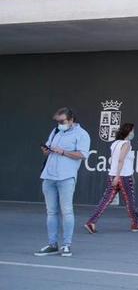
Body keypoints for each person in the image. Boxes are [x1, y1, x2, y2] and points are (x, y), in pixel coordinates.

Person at [35, 107, 91, 257]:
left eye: (62, 121)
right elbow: (48, 147)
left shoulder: (82, 134)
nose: (59, 124)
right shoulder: (55, 131)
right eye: (57, 121)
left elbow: (83, 154)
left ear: (71, 120)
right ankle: (52, 244)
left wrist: (63, 152)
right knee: (51, 212)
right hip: (49, 176)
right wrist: (46, 150)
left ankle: (66, 245)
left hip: (66, 177)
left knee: (66, 211)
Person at [84, 123, 138, 234]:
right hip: (123, 177)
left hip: (114, 175)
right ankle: (135, 224)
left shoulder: (115, 143)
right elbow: (121, 160)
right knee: (130, 201)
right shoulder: (126, 144)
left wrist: (116, 176)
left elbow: (121, 161)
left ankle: (91, 222)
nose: (133, 133)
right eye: (132, 131)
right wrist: (118, 176)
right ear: (128, 132)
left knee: (105, 200)